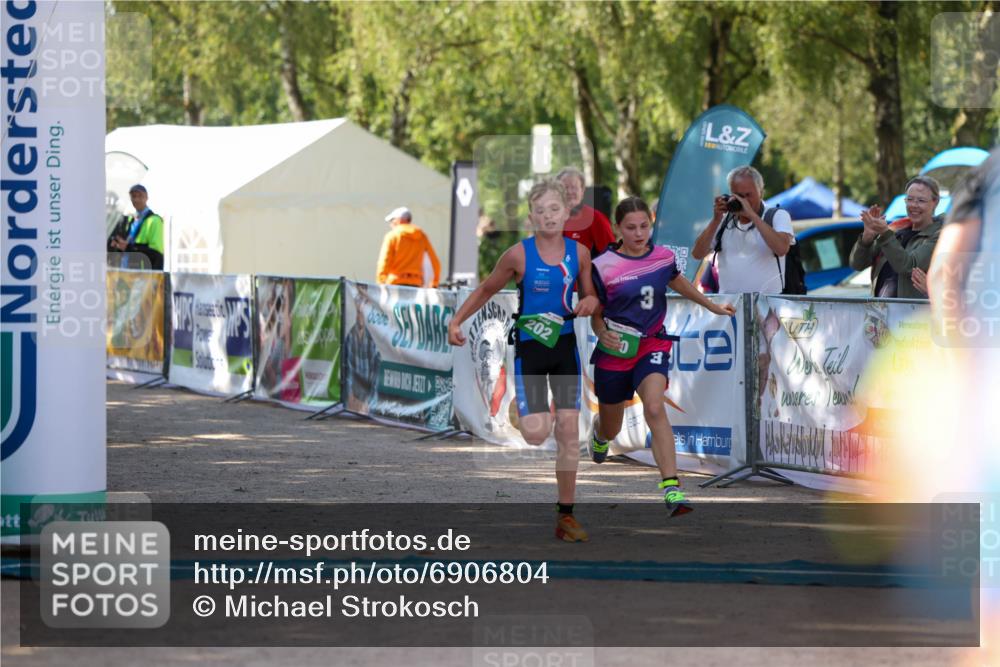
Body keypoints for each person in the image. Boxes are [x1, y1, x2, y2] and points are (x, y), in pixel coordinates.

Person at [448, 180, 600, 542]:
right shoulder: (518, 255)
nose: (548, 216)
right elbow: (486, 289)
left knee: (567, 431)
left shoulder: (579, 254)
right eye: (541, 210)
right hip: (531, 350)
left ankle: (566, 515)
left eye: (555, 209)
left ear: (566, 213)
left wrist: (590, 302)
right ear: (531, 216)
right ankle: (526, 411)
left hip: (564, 349)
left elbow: (591, 293)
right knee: (535, 435)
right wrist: (457, 321)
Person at [588, 197, 736, 516]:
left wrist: (712, 305)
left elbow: (679, 283)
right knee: (611, 426)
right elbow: (596, 316)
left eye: (644, 226)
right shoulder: (602, 266)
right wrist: (601, 333)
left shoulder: (662, 257)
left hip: (652, 344)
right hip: (615, 351)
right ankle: (600, 432)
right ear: (617, 229)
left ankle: (672, 490)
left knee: (655, 406)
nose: (639, 233)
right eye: (631, 227)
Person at [691, 166, 795, 294]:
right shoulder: (724, 221)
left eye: (748, 195)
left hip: (767, 307)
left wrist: (752, 215)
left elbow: (781, 249)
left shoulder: (777, 215)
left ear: (761, 192)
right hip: (729, 307)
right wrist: (716, 220)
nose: (744, 200)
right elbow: (697, 254)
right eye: (739, 196)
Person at [849, 176, 944, 299]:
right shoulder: (895, 230)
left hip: (913, 315)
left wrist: (884, 233)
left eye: (921, 200)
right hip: (880, 313)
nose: (914, 205)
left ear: (935, 202)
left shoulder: (940, 235)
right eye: (910, 199)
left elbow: (908, 266)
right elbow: (857, 264)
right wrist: (867, 238)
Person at [557, 167, 616, 257]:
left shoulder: (596, 218)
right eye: (565, 187)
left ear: (582, 191)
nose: (569, 192)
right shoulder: (550, 219)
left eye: (574, 187)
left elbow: (612, 256)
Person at [376, 206, 441, 287]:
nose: (391, 224)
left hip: (395, 284)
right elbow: (434, 262)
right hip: (416, 284)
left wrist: (381, 282)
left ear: (399, 220)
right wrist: (434, 283)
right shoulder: (422, 237)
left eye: (392, 221)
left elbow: (384, 261)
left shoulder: (393, 236)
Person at [108, 184, 165, 270]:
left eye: (140, 196)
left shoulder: (155, 221)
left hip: (143, 276)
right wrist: (119, 246)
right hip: (128, 273)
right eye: (133, 196)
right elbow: (128, 249)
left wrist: (129, 247)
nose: (136, 199)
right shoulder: (131, 220)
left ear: (146, 197)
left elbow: (156, 254)